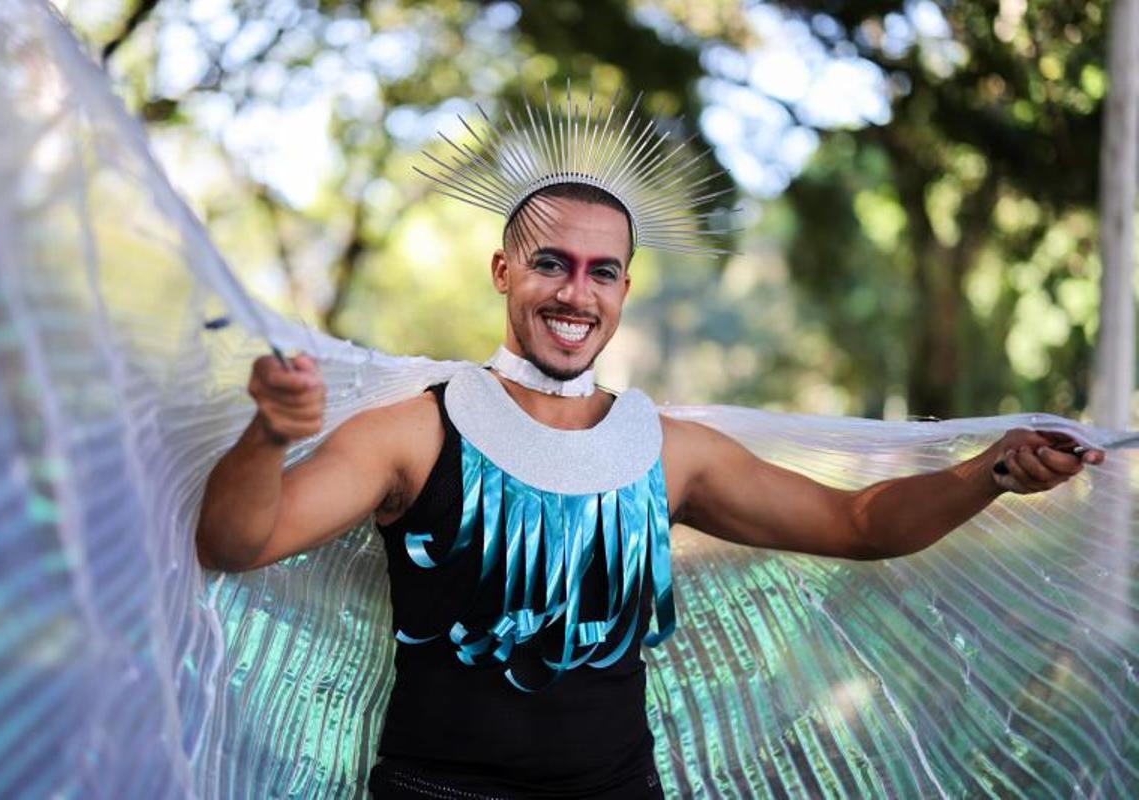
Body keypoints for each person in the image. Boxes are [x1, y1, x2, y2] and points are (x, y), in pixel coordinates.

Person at [195, 171, 1104, 798]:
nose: (574, 293)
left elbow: (861, 521)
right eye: (550, 263)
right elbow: (235, 543)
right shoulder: (415, 432)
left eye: (602, 272)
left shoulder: (670, 451)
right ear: (504, 270)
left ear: (626, 288)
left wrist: (992, 471)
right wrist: (269, 434)